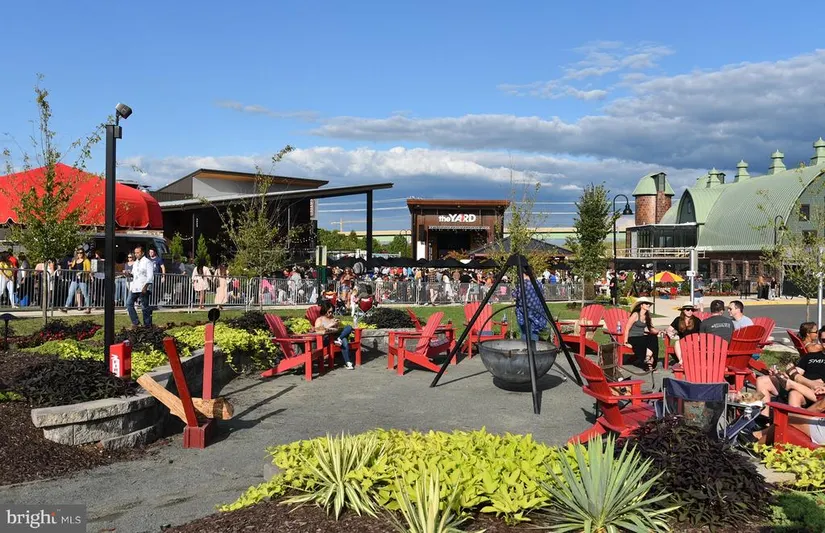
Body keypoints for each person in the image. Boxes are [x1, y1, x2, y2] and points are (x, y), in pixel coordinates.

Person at [754, 322, 824, 418]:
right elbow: (796, 371)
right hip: (802, 384)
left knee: (794, 394)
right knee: (762, 380)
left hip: (816, 392)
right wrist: (779, 374)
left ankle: (794, 424)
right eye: (824, 340)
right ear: (820, 340)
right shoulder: (810, 356)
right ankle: (764, 420)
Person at [314, 301, 354, 369]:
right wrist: (329, 326)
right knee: (344, 340)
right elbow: (317, 330)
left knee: (349, 327)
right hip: (326, 339)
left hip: (335, 336)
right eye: (329, 312)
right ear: (324, 310)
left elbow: (337, 329)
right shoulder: (319, 320)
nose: (331, 314)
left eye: (332, 312)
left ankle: (339, 338)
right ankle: (348, 362)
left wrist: (337, 325)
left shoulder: (332, 318)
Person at [623, 297, 660, 371]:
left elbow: (651, 328)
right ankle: (648, 364)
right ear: (641, 305)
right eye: (646, 304)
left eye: (649, 304)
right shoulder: (635, 314)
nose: (648, 305)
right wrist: (625, 342)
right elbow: (627, 328)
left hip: (641, 337)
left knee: (653, 337)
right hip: (632, 338)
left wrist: (660, 331)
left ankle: (647, 358)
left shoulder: (647, 316)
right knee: (643, 342)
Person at [513, 273, 547, 342]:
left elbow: (516, 295)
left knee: (525, 332)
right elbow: (542, 294)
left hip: (524, 312)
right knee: (535, 331)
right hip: (537, 311)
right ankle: (534, 347)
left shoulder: (523, 284)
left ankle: (526, 347)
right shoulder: (538, 283)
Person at [126, 246, 154, 327]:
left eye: (138, 253)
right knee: (129, 304)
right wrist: (129, 274)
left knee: (144, 307)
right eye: (135, 253)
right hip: (134, 287)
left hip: (143, 287)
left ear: (142, 253)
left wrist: (145, 286)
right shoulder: (135, 263)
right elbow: (134, 274)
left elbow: (150, 276)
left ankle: (147, 325)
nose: (136, 254)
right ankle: (136, 323)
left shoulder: (147, 262)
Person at [61, 248, 91, 313]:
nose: (79, 254)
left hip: (82, 280)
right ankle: (66, 307)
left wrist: (82, 272)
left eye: (81, 253)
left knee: (85, 294)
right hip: (75, 279)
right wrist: (70, 266)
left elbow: (88, 270)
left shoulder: (86, 261)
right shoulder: (75, 260)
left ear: (83, 253)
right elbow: (72, 269)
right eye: (78, 253)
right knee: (70, 293)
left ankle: (88, 308)